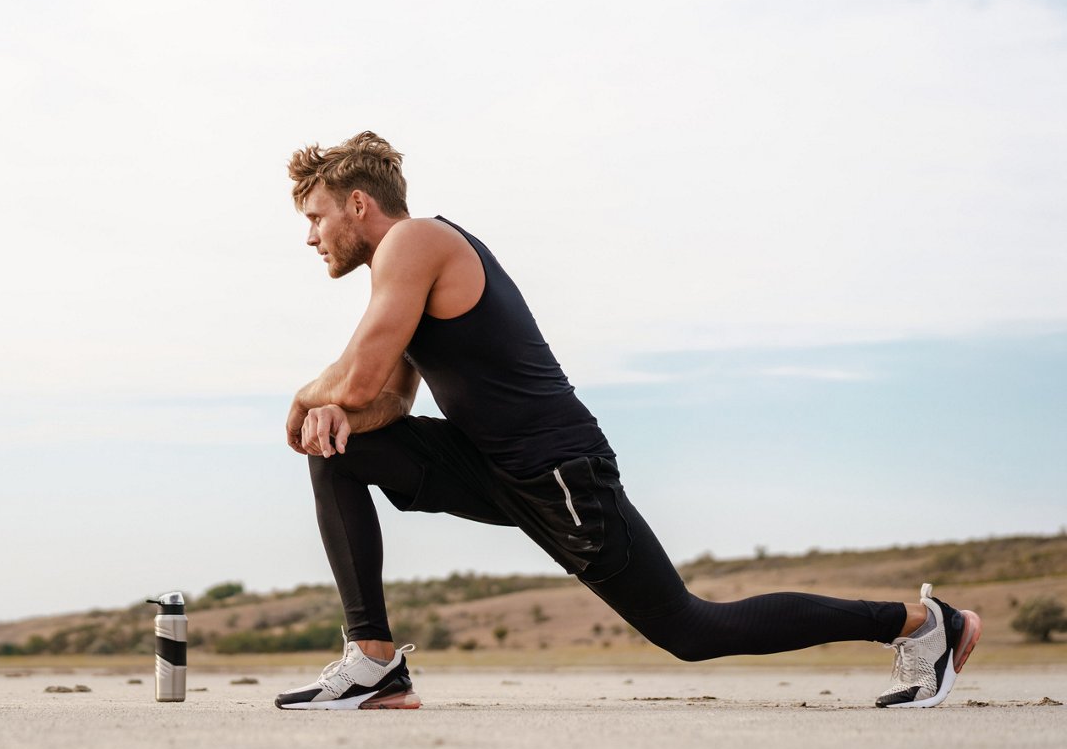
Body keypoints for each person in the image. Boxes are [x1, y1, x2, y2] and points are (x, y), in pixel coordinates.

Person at [274, 131, 982, 711]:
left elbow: (360, 378)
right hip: (489, 460)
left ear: (359, 204)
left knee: (692, 628)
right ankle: (373, 659)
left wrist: (312, 398)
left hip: (556, 469)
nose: (311, 236)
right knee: (337, 452)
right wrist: (334, 411)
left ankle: (921, 624)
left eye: (315, 216)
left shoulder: (415, 241)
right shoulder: (398, 270)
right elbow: (389, 399)